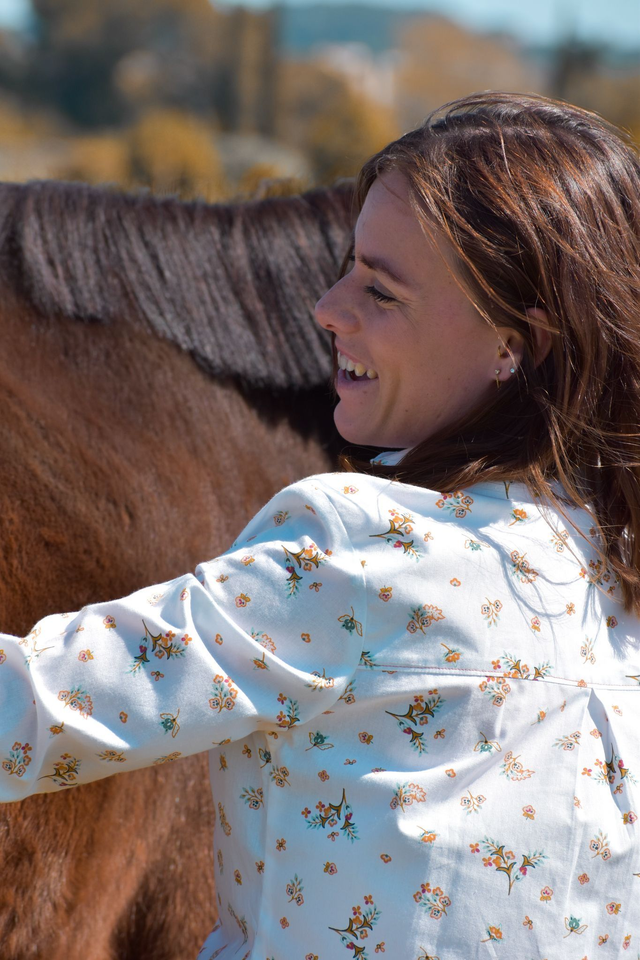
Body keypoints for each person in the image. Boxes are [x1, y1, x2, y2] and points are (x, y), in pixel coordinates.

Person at [2, 90, 640, 958]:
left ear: (512, 343)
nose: (325, 308)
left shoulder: (362, 555)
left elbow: (42, 708)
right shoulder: (615, 579)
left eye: (379, 290)